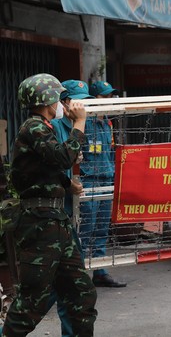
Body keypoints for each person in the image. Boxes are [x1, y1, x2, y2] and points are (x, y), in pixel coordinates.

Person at [4, 73, 97, 336]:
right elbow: (62, 158)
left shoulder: (43, 127)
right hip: (39, 224)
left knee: (81, 293)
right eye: (59, 99)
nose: (63, 104)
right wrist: (79, 123)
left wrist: (68, 186)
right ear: (48, 101)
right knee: (33, 301)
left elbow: (41, 170)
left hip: (55, 221)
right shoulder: (33, 127)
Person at [48, 80, 94, 337]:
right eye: (76, 100)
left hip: (76, 211)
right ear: (64, 103)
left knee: (69, 284)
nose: (81, 105)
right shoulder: (53, 129)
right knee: (63, 285)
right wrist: (68, 185)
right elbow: (52, 166)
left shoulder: (90, 125)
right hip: (57, 214)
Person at [79, 81, 126, 287]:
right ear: (94, 99)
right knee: (85, 230)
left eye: (110, 97)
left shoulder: (107, 122)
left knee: (101, 230)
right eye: (104, 97)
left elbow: (109, 152)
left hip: (107, 179)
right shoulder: (84, 123)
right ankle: (78, 274)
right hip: (88, 181)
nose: (108, 101)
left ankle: (100, 271)